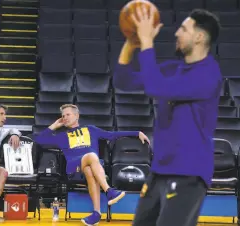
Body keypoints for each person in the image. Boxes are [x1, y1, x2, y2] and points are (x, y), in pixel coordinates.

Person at [113, 7, 222, 226]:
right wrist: (131, 43)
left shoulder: (208, 74)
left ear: (200, 37)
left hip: (189, 172)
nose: (176, 33)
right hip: (159, 170)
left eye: (183, 29)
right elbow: (123, 81)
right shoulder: (174, 69)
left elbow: (156, 87)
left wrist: (146, 41)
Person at [34, 104, 150, 225]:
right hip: (75, 169)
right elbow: (39, 140)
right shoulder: (62, 136)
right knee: (91, 156)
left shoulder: (91, 129)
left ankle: (96, 213)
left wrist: (137, 133)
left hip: (92, 167)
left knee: (90, 169)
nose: (65, 118)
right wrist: (54, 125)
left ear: (77, 115)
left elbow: (112, 135)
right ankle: (109, 190)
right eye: (63, 116)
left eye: (68, 114)